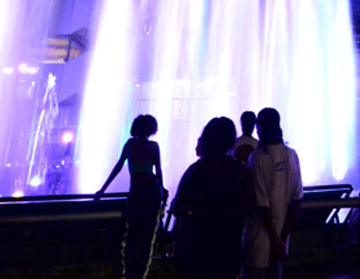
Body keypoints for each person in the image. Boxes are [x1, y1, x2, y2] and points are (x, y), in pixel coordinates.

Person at [172, 117, 254, 279]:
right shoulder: (240, 172)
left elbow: (178, 208)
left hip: (196, 244)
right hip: (227, 245)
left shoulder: (196, 170)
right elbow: (249, 204)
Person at [95, 115, 164, 279]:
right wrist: (162, 190)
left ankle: (128, 273)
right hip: (153, 193)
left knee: (132, 235)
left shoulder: (130, 145)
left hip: (137, 193)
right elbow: (159, 171)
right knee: (148, 237)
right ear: (152, 129)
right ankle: (141, 274)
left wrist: (102, 190)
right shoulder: (154, 146)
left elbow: (117, 167)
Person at [243, 108, 302, 279]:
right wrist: (282, 238)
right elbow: (297, 200)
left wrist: (274, 240)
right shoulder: (292, 155)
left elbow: (262, 204)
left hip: (259, 238)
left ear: (260, 128)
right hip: (282, 242)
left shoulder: (257, 158)